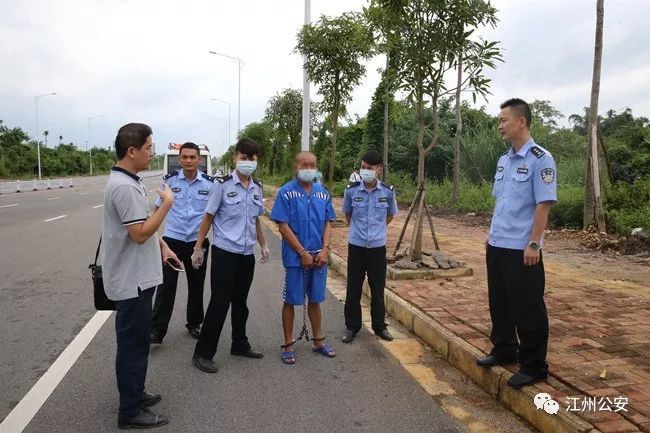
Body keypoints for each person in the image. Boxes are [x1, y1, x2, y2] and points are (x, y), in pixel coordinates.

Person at [476, 98, 557, 389]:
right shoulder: (504, 160)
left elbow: (542, 205)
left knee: (527, 306)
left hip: (523, 247)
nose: (499, 125)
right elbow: (503, 202)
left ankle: (534, 365)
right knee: (499, 302)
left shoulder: (540, 159)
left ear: (521, 121)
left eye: (503, 120)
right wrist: (490, 237)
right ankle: (504, 349)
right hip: (498, 243)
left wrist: (534, 243)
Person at [102, 123, 178, 429]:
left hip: (137, 277)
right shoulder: (123, 186)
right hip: (132, 282)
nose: (152, 153)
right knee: (134, 346)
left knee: (133, 344)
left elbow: (144, 227)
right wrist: (167, 205)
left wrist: (163, 246)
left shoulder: (128, 180)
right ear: (131, 151)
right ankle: (130, 411)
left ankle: (135, 393)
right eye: (148, 148)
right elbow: (139, 233)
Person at [190, 138, 269, 373]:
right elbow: (208, 217)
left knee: (241, 303)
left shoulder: (257, 188)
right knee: (219, 303)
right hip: (225, 253)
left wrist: (263, 245)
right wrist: (198, 247)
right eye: (244, 158)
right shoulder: (222, 185)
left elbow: (256, 220)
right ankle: (203, 353)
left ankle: (240, 343)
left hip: (246, 254)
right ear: (236, 158)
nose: (248, 163)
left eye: (252, 159)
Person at [270, 151, 336, 365]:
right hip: (295, 257)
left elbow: (328, 222)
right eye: (304, 165)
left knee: (315, 300)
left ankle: (318, 341)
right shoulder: (286, 193)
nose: (309, 169)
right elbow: (283, 226)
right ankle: (288, 344)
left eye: (312, 165)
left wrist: (325, 249)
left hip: (319, 257)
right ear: (295, 167)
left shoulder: (322, 193)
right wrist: (301, 252)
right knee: (291, 300)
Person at [150, 142, 214, 344]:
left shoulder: (209, 184)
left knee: (196, 285)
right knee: (166, 287)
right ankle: (157, 330)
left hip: (198, 242)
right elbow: (157, 209)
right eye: (184, 157)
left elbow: (213, 214)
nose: (188, 161)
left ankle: (194, 323)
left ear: (199, 159)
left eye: (192, 157)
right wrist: (157, 238)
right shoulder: (169, 182)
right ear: (180, 159)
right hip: (172, 242)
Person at [341, 150, 398, 343]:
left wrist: (375, 231)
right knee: (353, 289)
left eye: (369, 168)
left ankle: (380, 326)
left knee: (378, 289)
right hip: (356, 247)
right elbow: (348, 215)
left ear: (379, 170)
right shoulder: (351, 190)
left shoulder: (388, 191)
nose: (365, 171)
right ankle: (351, 327)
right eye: (363, 167)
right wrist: (360, 231)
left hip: (377, 248)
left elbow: (389, 216)